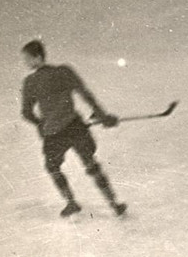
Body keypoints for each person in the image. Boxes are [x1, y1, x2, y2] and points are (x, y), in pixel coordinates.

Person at [19, 39, 125, 219]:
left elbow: (26, 113)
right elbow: (86, 94)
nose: (25, 63)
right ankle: (114, 204)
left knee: (52, 166)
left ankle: (71, 203)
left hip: (53, 134)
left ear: (37, 58)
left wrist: (41, 124)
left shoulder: (30, 82)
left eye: (28, 59)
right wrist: (102, 116)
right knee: (91, 164)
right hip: (75, 126)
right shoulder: (64, 71)